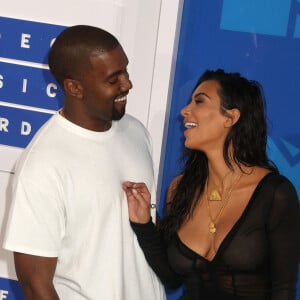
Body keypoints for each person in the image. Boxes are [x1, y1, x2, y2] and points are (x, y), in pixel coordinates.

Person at [3, 25, 165, 300]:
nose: (128, 84)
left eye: (125, 70)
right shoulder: (42, 165)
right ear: (74, 87)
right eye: (114, 79)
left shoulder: (137, 132)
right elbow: (35, 284)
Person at [123, 69, 300, 300]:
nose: (185, 111)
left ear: (231, 118)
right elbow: (171, 278)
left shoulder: (275, 193)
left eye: (199, 101)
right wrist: (145, 224)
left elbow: (283, 290)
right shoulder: (179, 190)